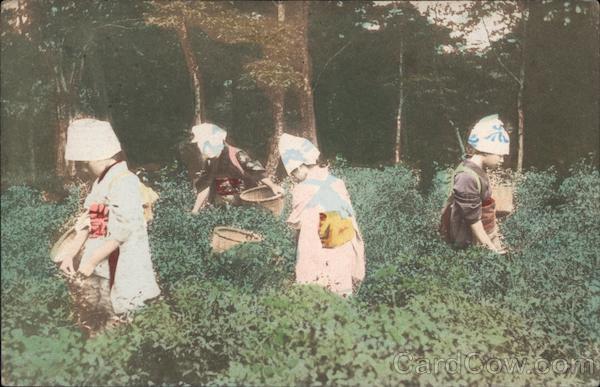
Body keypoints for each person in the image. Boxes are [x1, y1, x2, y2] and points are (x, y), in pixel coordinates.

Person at [56, 118, 161, 334]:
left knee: (127, 312)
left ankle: (126, 353)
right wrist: (72, 252)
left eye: (87, 162)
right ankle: (103, 348)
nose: (85, 168)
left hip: (123, 258)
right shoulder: (103, 182)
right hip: (104, 259)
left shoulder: (125, 182)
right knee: (101, 313)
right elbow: (96, 222)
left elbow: (123, 230)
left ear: (102, 157)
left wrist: (91, 261)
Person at [278, 133, 365, 296]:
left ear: (301, 166)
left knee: (314, 276)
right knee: (340, 276)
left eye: (293, 173)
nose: (294, 178)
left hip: (318, 239)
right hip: (340, 235)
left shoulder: (302, 189)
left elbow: (298, 226)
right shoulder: (337, 182)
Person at [441, 114, 509, 253]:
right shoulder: (467, 177)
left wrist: (495, 240)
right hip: (468, 240)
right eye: (500, 155)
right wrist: (492, 250)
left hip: (481, 234)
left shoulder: (477, 171)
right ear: (485, 151)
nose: (502, 160)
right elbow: (473, 221)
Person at [180, 123, 283, 213]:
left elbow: (257, 172)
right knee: (217, 186)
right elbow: (205, 184)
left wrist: (273, 186)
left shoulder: (237, 154)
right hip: (222, 197)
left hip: (245, 193)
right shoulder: (211, 162)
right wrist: (195, 210)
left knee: (223, 187)